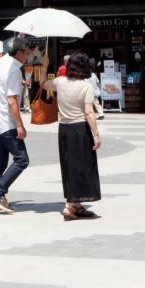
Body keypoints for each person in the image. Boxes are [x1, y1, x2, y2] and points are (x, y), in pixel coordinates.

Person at [46, 51, 102, 218]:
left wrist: (44, 65)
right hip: (80, 130)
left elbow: (43, 84)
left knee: (69, 165)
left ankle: (76, 205)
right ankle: (70, 206)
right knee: (82, 167)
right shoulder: (86, 87)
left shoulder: (59, 82)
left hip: (64, 130)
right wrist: (97, 135)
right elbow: (89, 113)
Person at [0, 36, 31, 215]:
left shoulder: (1, 62)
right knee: (22, 160)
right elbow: (12, 101)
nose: (27, 57)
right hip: (6, 123)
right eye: (26, 53)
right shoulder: (14, 70)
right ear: (19, 53)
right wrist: (20, 126)